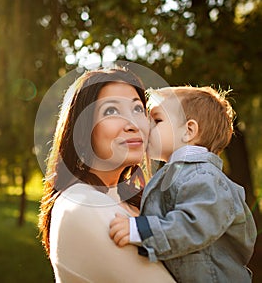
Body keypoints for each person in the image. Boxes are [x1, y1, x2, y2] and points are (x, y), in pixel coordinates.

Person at [38, 67, 176, 283]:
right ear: (82, 132)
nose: (133, 125)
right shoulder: (82, 205)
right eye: (111, 111)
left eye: (138, 109)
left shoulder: (135, 201)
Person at [109, 86, 257, 282]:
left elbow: (194, 225)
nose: (146, 127)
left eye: (157, 120)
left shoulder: (203, 176)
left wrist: (140, 229)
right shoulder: (179, 174)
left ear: (188, 131)